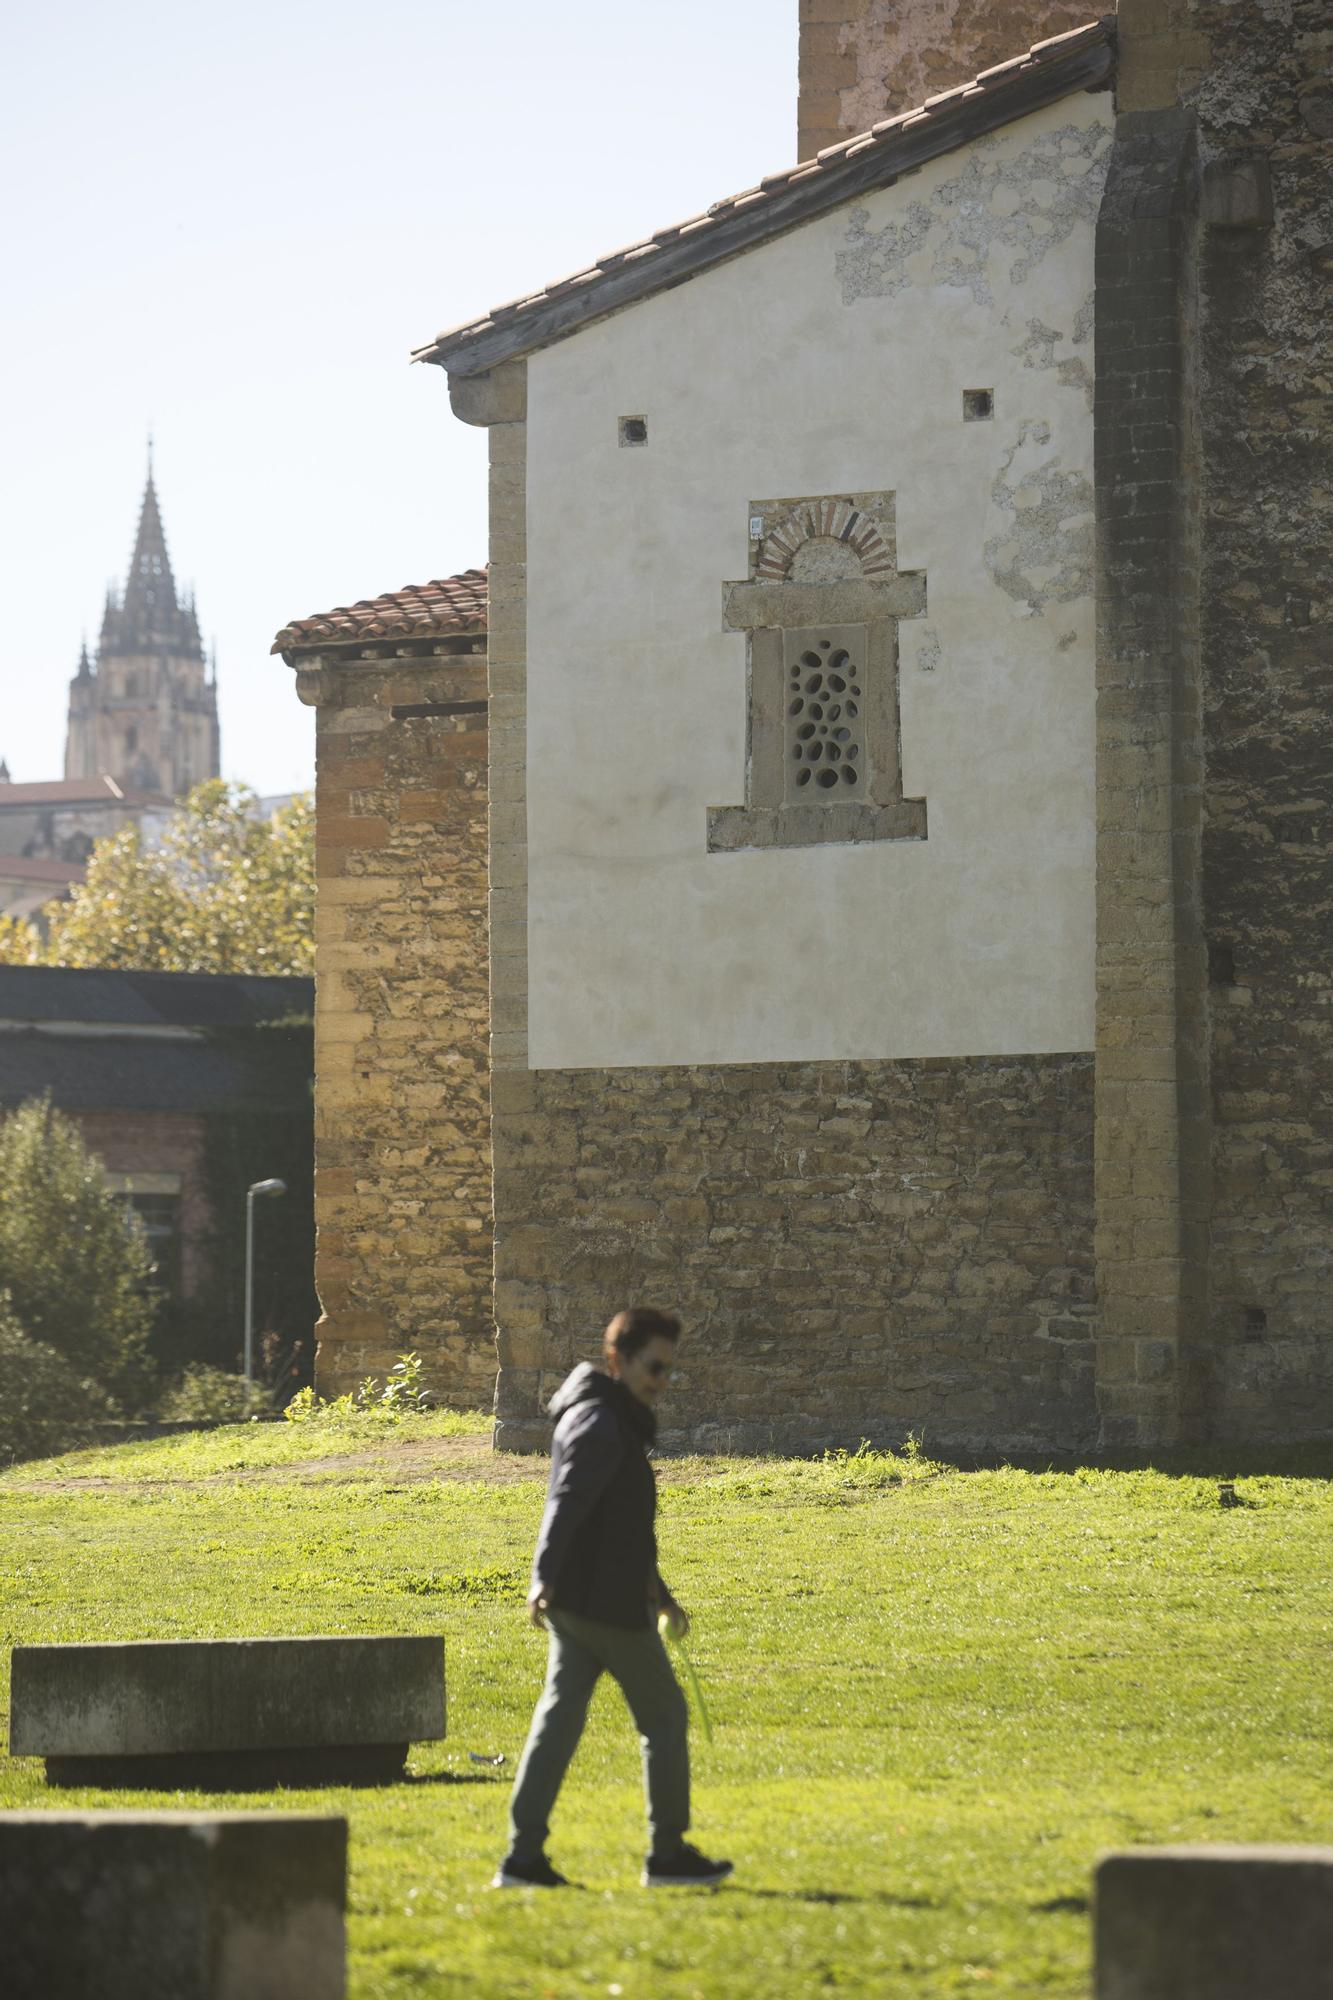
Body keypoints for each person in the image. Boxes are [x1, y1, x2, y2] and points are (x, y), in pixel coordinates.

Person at [493, 1307, 733, 1890]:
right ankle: (668, 1856)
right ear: (618, 1361)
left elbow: (622, 1524)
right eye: (654, 1367)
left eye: (669, 1371)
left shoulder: (609, 1418)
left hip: (583, 1602)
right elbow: (567, 1502)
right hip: (602, 1604)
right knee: (665, 1717)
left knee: (558, 1721)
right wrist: (541, 1575)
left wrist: (664, 1597)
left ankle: (522, 1860)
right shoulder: (599, 1423)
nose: (661, 1381)